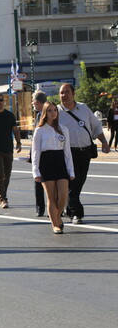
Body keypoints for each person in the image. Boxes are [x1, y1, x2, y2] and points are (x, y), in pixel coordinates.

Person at [57, 83, 110, 224]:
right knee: (73, 183)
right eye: (61, 92)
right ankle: (76, 213)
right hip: (68, 153)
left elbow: (96, 126)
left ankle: (67, 206)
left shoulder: (84, 108)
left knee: (80, 182)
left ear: (73, 94)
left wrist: (104, 141)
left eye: (67, 92)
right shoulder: (56, 112)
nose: (64, 95)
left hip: (85, 152)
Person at [32, 102, 75, 234]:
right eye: (49, 110)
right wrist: (35, 171)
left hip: (60, 162)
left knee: (62, 195)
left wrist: (71, 170)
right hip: (46, 163)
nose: (53, 113)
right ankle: (55, 224)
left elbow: (67, 152)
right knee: (51, 197)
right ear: (45, 113)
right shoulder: (39, 130)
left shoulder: (64, 129)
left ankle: (57, 216)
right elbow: (36, 152)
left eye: (54, 110)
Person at [29, 91, 47, 217]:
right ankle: (40, 208)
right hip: (38, 153)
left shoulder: (50, 114)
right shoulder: (37, 115)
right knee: (38, 180)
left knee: (52, 182)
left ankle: (56, 207)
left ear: (39, 102)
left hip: (49, 152)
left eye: (33, 101)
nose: (32, 103)